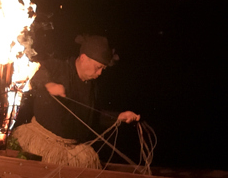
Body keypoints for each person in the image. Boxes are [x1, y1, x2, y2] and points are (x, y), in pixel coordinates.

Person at [10, 34, 140, 167]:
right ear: (83, 58)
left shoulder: (92, 86)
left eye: (103, 69)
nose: (100, 73)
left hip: (71, 149)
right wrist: (49, 84)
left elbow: (93, 115)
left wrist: (118, 117)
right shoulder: (58, 67)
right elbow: (36, 71)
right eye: (98, 67)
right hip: (42, 144)